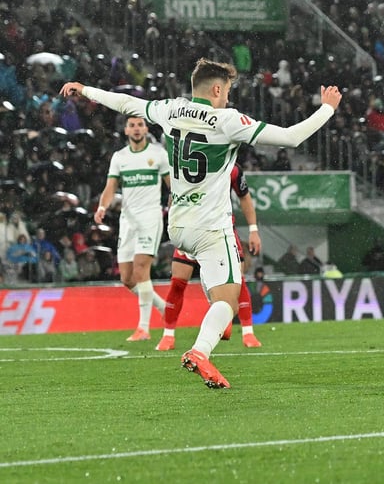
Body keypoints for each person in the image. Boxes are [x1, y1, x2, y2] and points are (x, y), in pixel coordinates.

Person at [60, 58, 341, 388]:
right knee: (228, 301)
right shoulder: (228, 120)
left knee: (214, 287)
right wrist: (327, 109)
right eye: (228, 91)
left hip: (178, 227)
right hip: (211, 227)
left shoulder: (171, 109)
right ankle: (200, 350)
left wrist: (85, 90)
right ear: (217, 89)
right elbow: (291, 137)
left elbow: (125, 103)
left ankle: (206, 324)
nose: (228, 98)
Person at [156, 162, 263, 351]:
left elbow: (244, 196)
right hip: (190, 228)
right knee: (178, 282)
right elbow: (175, 196)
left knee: (237, 280)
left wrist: (253, 230)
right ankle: (168, 335)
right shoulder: (187, 164)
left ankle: (248, 332)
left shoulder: (231, 168)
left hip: (220, 231)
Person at [94, 116, 170, 342]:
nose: (136, 129)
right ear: (126, 130)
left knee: (140, 268)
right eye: (132, 125)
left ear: (146, 129)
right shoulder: (120, 157)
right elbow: (110, 187)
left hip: (150, 218)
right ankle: (164, 308)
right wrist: (102, 207)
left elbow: (171, 185)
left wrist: (174, 204)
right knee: (127, 278)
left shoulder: (158, 154)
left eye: (140, 125)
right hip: (127, 221)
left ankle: (143, 328)